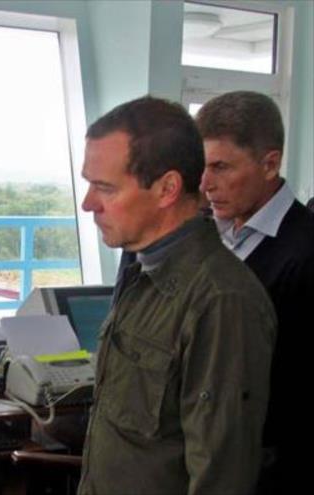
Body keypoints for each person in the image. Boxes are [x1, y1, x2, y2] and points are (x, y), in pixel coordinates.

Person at [76, 96, 276, 495]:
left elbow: (221, 475)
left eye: (105, 188)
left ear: (167, 188)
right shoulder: (140, 271)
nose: (88, 204)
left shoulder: (221, 300)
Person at [195, 90, 314, 492]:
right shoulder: (205, 239)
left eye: (221, 167)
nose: (206, 183)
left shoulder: (304, 252)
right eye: (202, 167)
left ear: (270, 163)